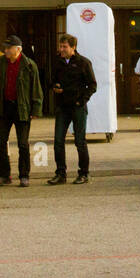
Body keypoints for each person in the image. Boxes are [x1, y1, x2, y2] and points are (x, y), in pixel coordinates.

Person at [0, 35, 43, 187]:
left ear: (18, 49)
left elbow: (36, 89)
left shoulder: (29, 65)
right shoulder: (0, 63)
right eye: (5, 47)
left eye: (8, 48)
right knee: (0, 142)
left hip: (22, 108)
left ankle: (24, 175)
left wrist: (36, 109)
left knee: (23, 144)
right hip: (4, 107)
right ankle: (4, 174)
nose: (5, 50)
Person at [48, 34, 97, 185]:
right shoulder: (57, 62)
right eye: (60, 46)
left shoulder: (83, 63)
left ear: (73, 47)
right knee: (58, 140)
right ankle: (61, 173)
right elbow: (51, 80)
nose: (61, 49)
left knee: (79, 141)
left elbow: (92, 85)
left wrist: (81, 101)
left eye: (65, 47)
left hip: (77, 107)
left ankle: (84, 173)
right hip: (62, 107)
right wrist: (54, 87)